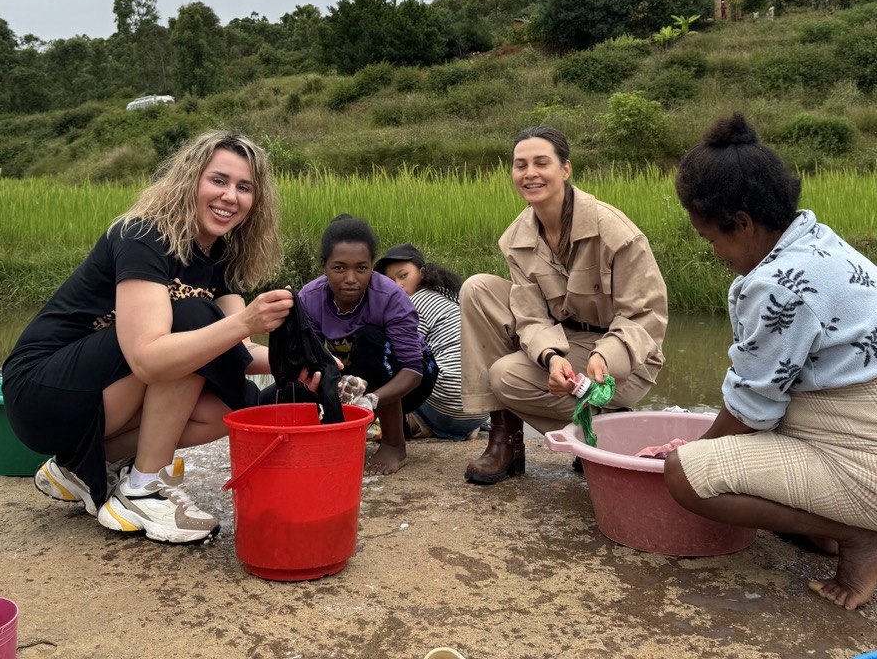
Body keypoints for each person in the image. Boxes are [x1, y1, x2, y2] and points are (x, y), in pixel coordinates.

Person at [664, 113, 877, 610]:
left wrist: (692, 450)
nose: (716, 253)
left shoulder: (777, 284)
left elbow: (751, 407)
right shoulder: (814, 241)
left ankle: (861, 536)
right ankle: (835, 529)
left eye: (713, 240)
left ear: (743, 223)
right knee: (729, 453)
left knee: (686, 475)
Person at [2, 130, 296, 544]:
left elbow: (237, 350)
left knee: (231, 406)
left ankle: (78, 467)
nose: (230, 196)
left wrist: (297, 364)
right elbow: (149, 360)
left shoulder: (221, 255)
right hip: (41, 393)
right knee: (194, 318)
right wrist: (247, 320)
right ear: (190, 179)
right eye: (218, 180)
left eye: (244, 188)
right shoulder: (143, 235)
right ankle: (143, 487)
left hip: (99, 397)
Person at [459, 126, 668, 485]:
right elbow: (530, 315)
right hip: (566, 344)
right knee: (477, 289)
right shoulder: (516, 239)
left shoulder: (614, 231)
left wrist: (605, 356)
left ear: (565, 169)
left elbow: (645, 316)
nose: (530, 174)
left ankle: (600, 429)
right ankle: (506, 440)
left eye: (542, 163)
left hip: (623, 357)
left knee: (506, 375)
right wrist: (551, 358)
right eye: (520, 165)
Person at [270, 215, 438, 475]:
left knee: (370, 339)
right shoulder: (311, 298)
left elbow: (413, 370)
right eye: (339, 268)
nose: (351, 278)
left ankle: (395, 444)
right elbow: (312, 356)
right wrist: (331, 382)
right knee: (276, 393)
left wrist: (372, 399)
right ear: (324, 266)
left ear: (372, 267)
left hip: (410, 380)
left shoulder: (389, 297)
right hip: (353, 375)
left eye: (361, 268)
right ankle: (341, 430)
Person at [374, 243, 489, 442]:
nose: (398, 286)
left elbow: (404, 359)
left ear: (422, 273)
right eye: (391, 281)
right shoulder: (453, 298)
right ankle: (462, 429)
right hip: (480, 410)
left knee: (390, 362)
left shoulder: (414, 303)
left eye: (403, 276)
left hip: (446, 406)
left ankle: (415, 425)